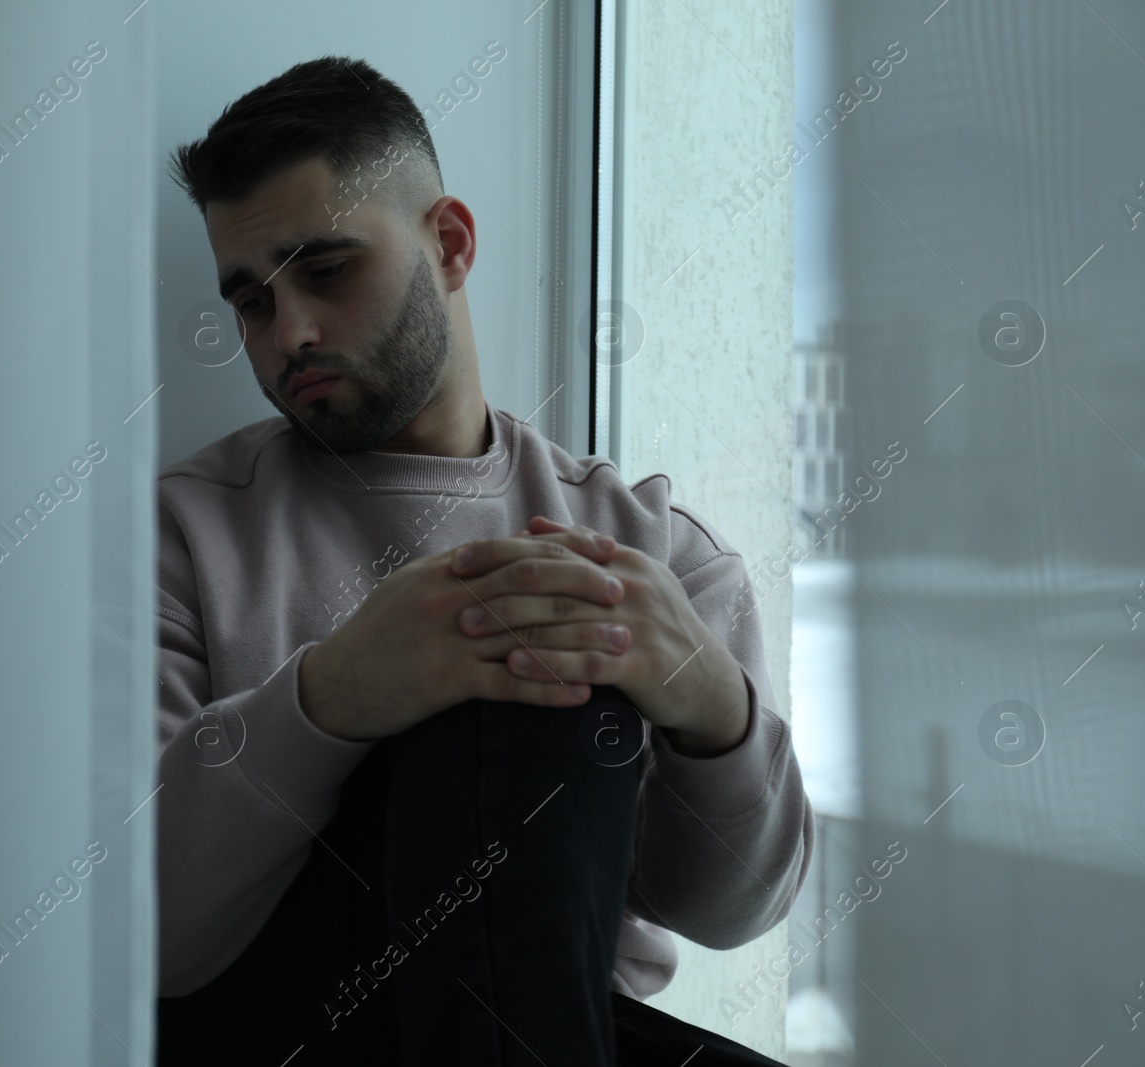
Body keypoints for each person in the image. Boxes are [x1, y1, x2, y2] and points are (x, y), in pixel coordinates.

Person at [153, 55, 813, 1065]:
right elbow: (144, 931)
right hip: (278, 1030)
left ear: (449, 243)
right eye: (250, 301)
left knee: (548, 649)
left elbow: (731, 911)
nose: (289, 334)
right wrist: (332, 696)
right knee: (517, 667)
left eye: (326, 270)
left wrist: (712, 707)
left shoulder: (655, 553)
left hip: (561, 1027)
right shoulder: (182, 532)